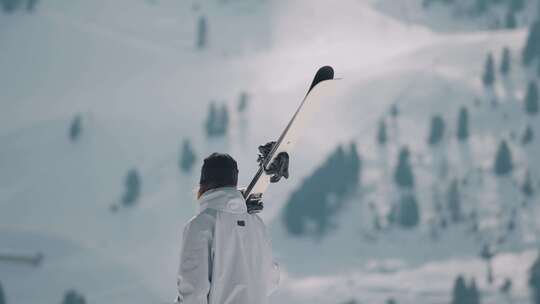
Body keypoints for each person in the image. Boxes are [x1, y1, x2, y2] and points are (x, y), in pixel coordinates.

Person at [176, 153, 280, 304]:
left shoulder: (201, 225)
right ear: (234, 182)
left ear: (202, 184)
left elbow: (193, 291)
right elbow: (270, 281)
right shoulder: (257, 224)